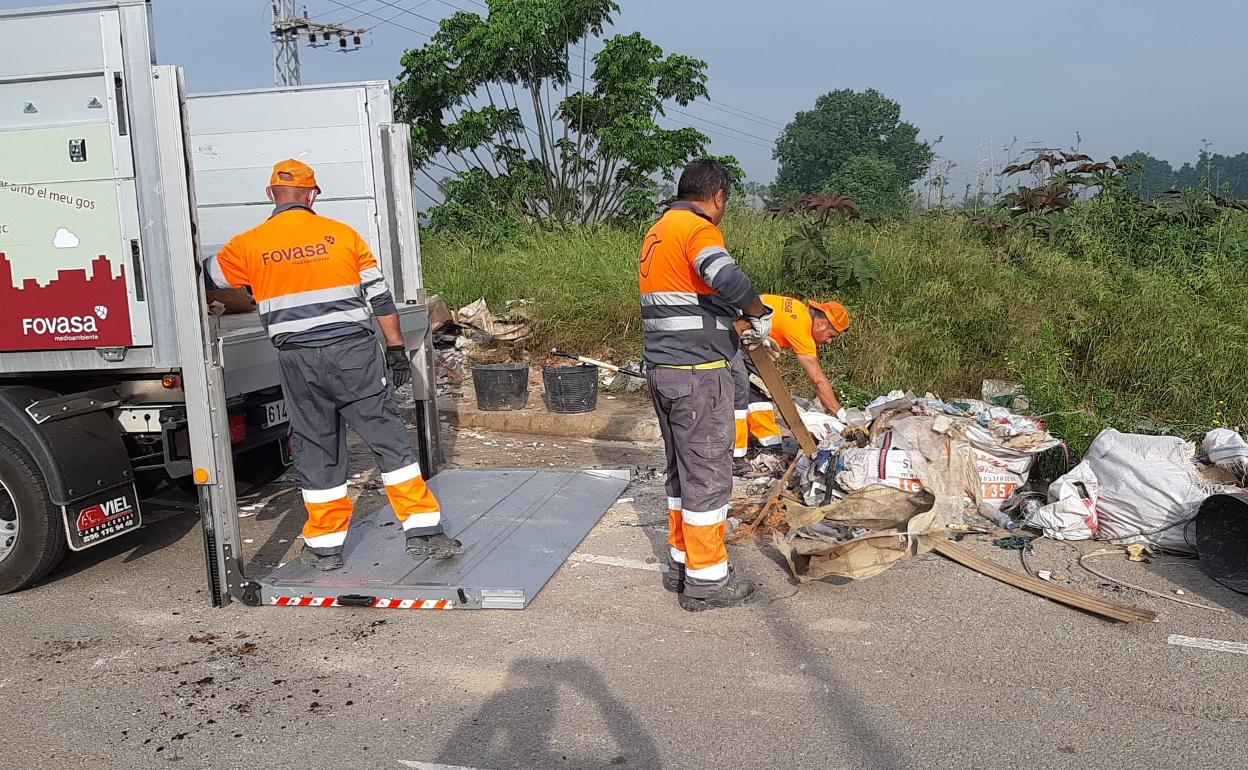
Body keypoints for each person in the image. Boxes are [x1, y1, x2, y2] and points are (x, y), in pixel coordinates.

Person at [203, 159, 462, 570]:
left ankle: (325, 546)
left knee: (316, 443)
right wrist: (395, 348)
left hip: (297, 359)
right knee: (385, 435)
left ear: (271, 195)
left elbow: (209, 277)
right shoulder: (343, 236)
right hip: (353, 354)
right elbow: (379, 298)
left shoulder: (249, 244)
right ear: (312, 195)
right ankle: (424, 531)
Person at [639, 159, 772, 612]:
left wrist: (723, 314)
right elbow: (725, 276)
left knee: (682, 476)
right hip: (697, 375)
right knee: (709, 478)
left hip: (664, 371)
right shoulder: (698, 229)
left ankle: (682, 564)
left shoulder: (659, 231)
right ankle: (709, 580)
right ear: (717, 197)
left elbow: (692, 296)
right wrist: (757, 311)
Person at [731, 294, 850, 468]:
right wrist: (841, 414)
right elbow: (817, 380)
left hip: (743, 337)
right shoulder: (800, 327)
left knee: (760, 389)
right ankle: (735, 456)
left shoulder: (797, 309)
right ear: (822, 323)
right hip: (727, 334)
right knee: (740, 390)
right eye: (831, 335)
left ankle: (768, 444)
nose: (829, 341)